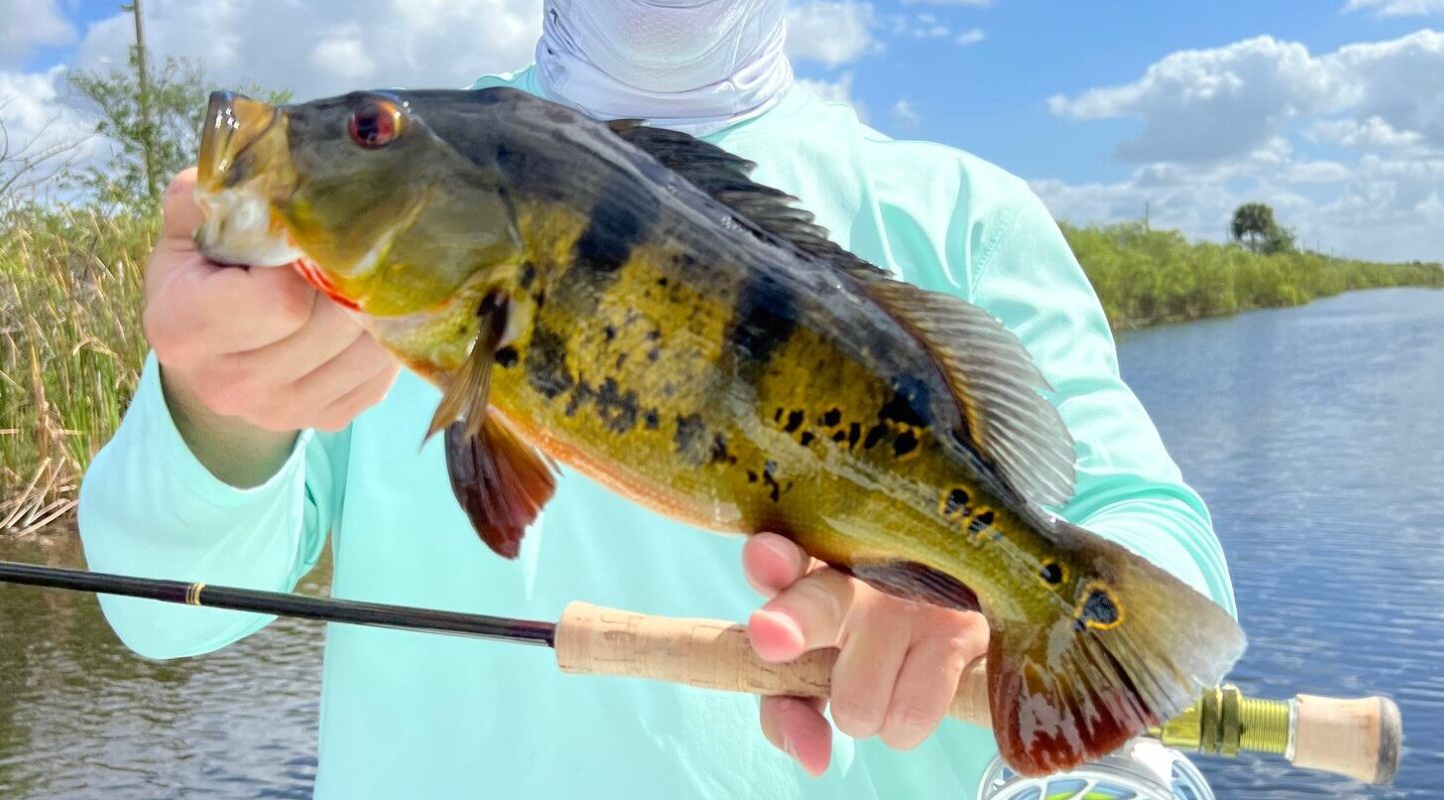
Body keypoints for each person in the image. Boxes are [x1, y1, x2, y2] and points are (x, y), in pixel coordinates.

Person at [78, 1, 1237, 797]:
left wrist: (1072, 720)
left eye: (369, 130)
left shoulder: (957, 212)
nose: (359, 141)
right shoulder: (375, 233)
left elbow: (1152, 549)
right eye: (367, 130)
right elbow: (161, 611)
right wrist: (216, 406)